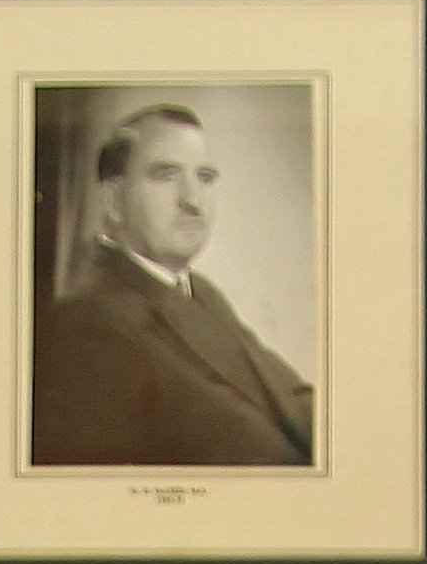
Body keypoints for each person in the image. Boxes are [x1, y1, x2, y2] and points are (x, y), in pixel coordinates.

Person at [31, 103, 314, 468]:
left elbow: (287, 397)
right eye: (166, 176)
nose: (193, 201)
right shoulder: (85, 323)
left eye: (205, 177)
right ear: (114, 202)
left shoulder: (199, 291)